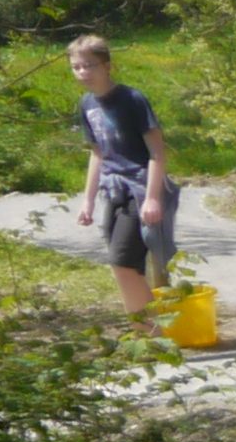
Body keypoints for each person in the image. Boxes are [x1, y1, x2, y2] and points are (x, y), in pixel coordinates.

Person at [63, 35, 177, 312]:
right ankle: (143, 334)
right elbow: (97, 153)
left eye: (89, 65)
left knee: (122, 262)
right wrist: (88, 201)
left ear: (107, 66)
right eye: (76, 67)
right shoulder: (87, 104)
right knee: (124, 268)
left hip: (139, 189)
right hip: (113, 191)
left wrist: (152, 198)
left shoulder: (131, 99)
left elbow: (157, 153)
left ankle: (153, 335)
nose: (82, 73)